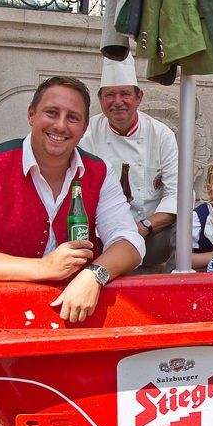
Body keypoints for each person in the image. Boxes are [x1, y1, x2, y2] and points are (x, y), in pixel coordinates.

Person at [0, 76, 145, 396]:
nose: (60, 125)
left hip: (74, 306)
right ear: (32, 114)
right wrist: (44, 268)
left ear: (84, 128)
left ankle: (37, 386)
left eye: (72, 117)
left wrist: (94, 275)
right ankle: (14, 381)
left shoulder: (99, 172)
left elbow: (130, 242)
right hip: (2, 307)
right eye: (51, 113)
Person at [80, 54, 178, 269]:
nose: (117, 102)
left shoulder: (162, 135)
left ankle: (177, 281)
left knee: (184, 224)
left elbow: (176, 195)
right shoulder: (87, 134)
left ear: (139, 97)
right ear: (100, 99)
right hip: (101, 239)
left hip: (149, 236)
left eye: (125, 93)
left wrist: (143, 227)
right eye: (110, 95)